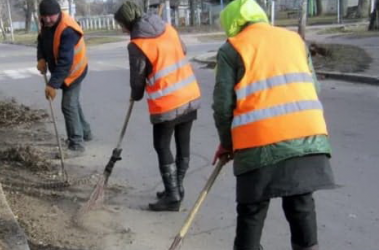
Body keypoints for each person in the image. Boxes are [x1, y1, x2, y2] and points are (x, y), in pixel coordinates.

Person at [212, 0, 336, 249]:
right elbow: (314, 87)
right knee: (301, 206)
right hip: (307, 138)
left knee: (251, 213)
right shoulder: (294, 40)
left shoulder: (232, 49)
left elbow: (223, 107)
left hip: (258, 145)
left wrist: (227, 144)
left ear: (232, 23)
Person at [114, 1, 202, 212]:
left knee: (162, 146)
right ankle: (176, 188)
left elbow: (138, 78)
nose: (121, 29)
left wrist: (135, 94)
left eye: (121, 25)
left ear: (127, 22)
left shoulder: (137, 43)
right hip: (189, 94)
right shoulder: (167, 28)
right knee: (183, 145)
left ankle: (172, 196)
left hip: (167, 102)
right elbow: (183, 49)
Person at [36, 0, 92, 158]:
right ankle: (85, 132)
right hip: (63, 72)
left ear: (58, 13)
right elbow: (41, 42)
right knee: (74, 104)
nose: (47, 19)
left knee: (68, 105)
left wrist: (53, 85)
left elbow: (65, 62)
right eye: (44, 16)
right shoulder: (45, 25)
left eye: (51, 16)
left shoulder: (67, 30)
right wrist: (41, 58)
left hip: (74, 72)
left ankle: (76, 145)